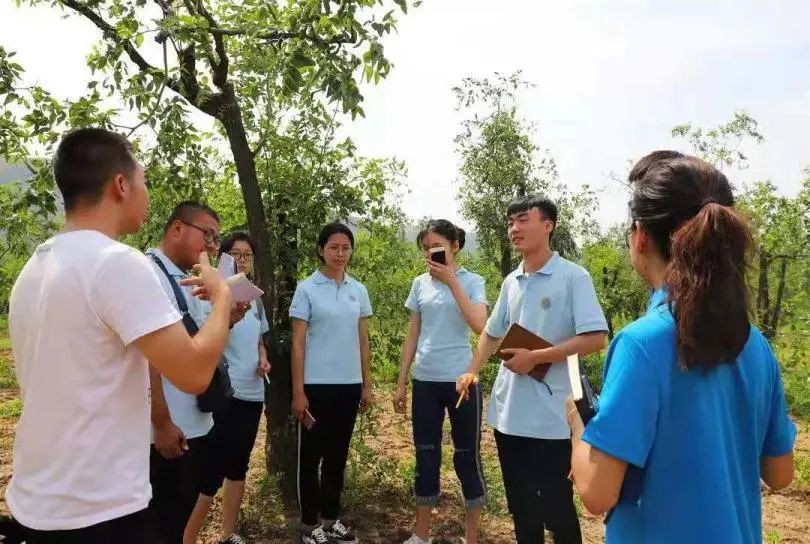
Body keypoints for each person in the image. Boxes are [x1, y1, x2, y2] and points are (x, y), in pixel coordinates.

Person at [6, 128, 232, 543]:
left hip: (38, 504)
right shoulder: (116, 263)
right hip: (101, 511)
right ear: (121, 184)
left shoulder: (36, 267)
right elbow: (195, 372)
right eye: (143, 180)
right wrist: (221, 297)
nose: (147, 194)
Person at [567, 153, 797, 543]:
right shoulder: (755, 344)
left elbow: (597, 493)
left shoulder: (640, 344)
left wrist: (578, 422)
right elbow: (779, 474)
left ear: (641, 236)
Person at [456, 194, 608, 544]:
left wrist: (537, 357)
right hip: (509, 415)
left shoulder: (573, 277)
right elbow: (492, 332)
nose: (514, 228)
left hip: (553, 417)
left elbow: (595, 338)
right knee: (522, 509)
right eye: (511, 222)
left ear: (548, 225)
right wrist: (472, 370)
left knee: (557, 508)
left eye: (523, 220)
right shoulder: (512, 281)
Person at [146, 202, 250, 544]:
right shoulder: (149, 275)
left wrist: (226, 319)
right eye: (207, 234)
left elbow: (199, 346)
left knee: (177, 521)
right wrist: (161, 422)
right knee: (160, 524)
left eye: (215, 238)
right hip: (167, 430)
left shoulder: (189, 277)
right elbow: (147, 358)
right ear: (177, 228)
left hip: (196, 422)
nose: (211, 245)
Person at [393, 220, 488, 544]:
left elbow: (480, 326)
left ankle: (471, 538)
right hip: (426, 380)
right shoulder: (420, 284)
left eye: (436, 247)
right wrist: (401, 382)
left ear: (455, 246)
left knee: (467, 456)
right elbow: (413, 335)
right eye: (425, 249)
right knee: (426, 455)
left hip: (463, 380)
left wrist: (451, 281)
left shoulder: (473, 281)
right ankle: (421, 535)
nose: (430, 254)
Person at [184, 232, 272, 544]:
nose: (243, 260)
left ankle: (228, 533)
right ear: (223, 258)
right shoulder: (209, 295)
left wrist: (263, 359)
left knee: (238, 466)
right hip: (223, 394)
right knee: (210, 472)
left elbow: (259, 340)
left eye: (248, 255)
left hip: (252, 392)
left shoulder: (255, 298)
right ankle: (188, 537)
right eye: (236, 254)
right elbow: (204, 339)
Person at [290, 222, 374, 544]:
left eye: (345, 248)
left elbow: (362, 340)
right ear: (320, 250)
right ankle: (309, 525)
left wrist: (366, 384)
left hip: (348, 385)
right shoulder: (306, 288)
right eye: (333, 247)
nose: (340, 253)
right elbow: (298, 343)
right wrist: (299, 391)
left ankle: (330, 519)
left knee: (337, 457)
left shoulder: (358, 290)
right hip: (315, 386)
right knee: (311, 458)